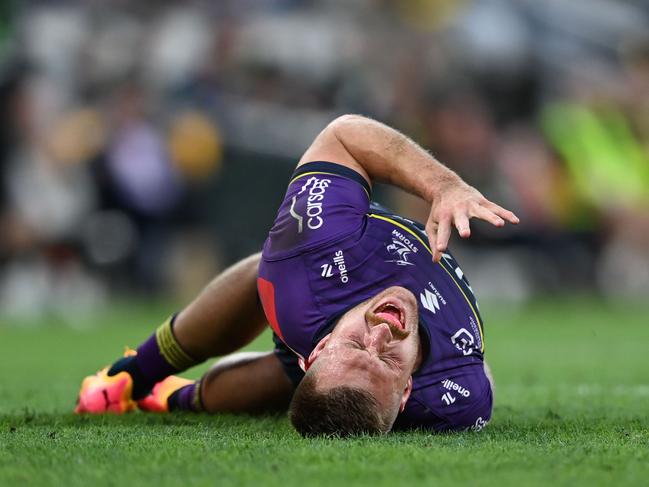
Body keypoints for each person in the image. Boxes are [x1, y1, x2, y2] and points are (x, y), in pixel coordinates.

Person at [75, 115, 519, 436]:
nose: (381, 334)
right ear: (406, 394)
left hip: (311, 308)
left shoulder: (307, 265)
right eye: (386, 360)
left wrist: (443, 186)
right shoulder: (456, 397)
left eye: (358, 346)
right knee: (276, 307)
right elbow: (344, 134)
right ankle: (144, 380)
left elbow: (344, 136)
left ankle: (149, 386)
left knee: (268, 287)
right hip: (320, 328)